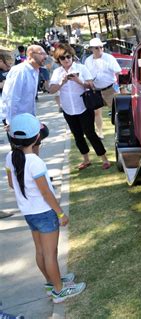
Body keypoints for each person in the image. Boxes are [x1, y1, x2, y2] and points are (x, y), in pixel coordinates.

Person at [5, 113, 86, 303]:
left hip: (29, 213)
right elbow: (46, 193)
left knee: (40, 251)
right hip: (45, 213)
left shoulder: (10, 157)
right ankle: (59, 291)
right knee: (50, 253)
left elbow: (11, 183)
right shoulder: (35, 162)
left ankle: (51, 282)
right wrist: (60, 213)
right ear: (37, 138)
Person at [49, 44, 110, 170]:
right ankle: (86, 159)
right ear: (58, 60)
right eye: (62, 58)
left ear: (72, 56)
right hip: (68, 108)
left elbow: (91, 85)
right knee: (77, 135)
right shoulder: (57, 72)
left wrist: (79, 81)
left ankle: (104, 158)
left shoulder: (81, 68)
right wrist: (62, 82)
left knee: (90, 133)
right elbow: (51, 90)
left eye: (69, 56)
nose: (66, 60)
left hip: (84, 106)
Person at [1, 45, 48, 155]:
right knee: (21, 155)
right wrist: (11, 122)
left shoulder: (35, 71)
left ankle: (35, 170)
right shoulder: (20, 71)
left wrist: (34, 119)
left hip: (29, 117)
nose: (45, 56)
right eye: (41, 54)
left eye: (45, 53)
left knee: (35, 146)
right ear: (31, 54)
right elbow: (12, 98)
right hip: (16, 119)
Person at [84, 38, 121, 139]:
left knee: (117, 112)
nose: (100, 49)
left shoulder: (109, 58)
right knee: (96, 112)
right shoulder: (88, 61)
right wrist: (89, 82)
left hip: (110, 89)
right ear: (91, 49)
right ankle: (100, 132)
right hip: (96, 90)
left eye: (101, 47)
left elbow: (118, 71)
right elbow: (86, 75)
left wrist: (118, 85)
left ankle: (119, 132)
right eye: (97, 48)